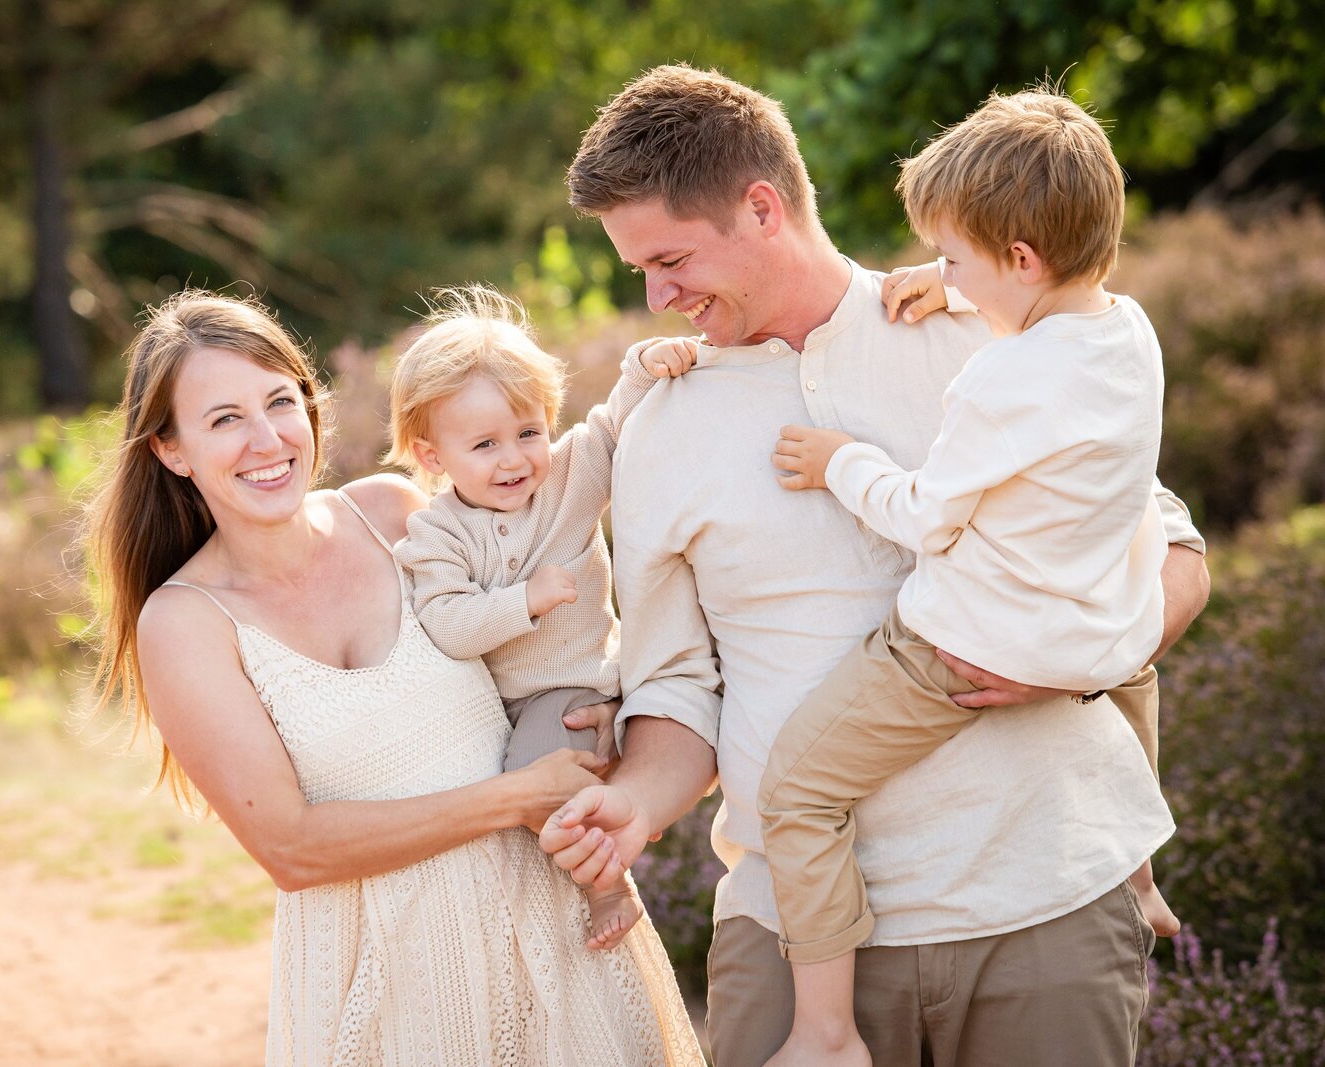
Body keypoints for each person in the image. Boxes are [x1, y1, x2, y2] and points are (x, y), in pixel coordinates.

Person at [537, 65, 1210, 1067]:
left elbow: (1170, 547)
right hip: (789, 934)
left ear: (762, 207)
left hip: (1047, 902)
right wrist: (635, 801)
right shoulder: (659, 429)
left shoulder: (986, 328)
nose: (656, 296)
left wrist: (1080, 657)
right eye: (639, 268)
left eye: (670, 259)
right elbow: (676, 684)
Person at [84, 291, 704, 1066]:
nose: (267, 438)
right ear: (172, 449)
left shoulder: (392, 512)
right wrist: (515, 795)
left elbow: (521, 635)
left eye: (280, 401)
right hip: (388, 985)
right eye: (224, 418)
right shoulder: (185, 623)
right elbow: (293, 849)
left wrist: (593, 697)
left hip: (561, 936)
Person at [757, 88, 1181, 1067]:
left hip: (970, 645)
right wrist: (953, 288)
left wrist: (840, 461)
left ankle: (824, 1032)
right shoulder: (1128, 331)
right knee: (1135, 671)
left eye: (952, 256)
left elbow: (923, 515)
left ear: (1020, 260)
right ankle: (1138, 873)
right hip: (1101, 637)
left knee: (799, 790)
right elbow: (1046, 325)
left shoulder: (999, 378)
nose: (940, 272)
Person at [386, 284, 698, 950]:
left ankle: (607, 883)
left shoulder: (566, 479)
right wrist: (522, 599)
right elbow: (448, 624)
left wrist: (643, 365)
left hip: (569, 689)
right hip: (490, 704)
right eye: (485, 444)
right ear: (433, 457)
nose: (514, 458)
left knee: (539, 781)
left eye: (529, 432)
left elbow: (612, 427)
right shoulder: (437, 533)